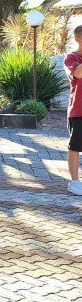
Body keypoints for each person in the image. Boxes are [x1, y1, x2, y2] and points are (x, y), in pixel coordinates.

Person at [63, 25, 82, 196]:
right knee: (75, 146)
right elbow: (78, 74)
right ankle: (74, 182)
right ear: (78, 38)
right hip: (78, 110)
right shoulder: (71, 57)